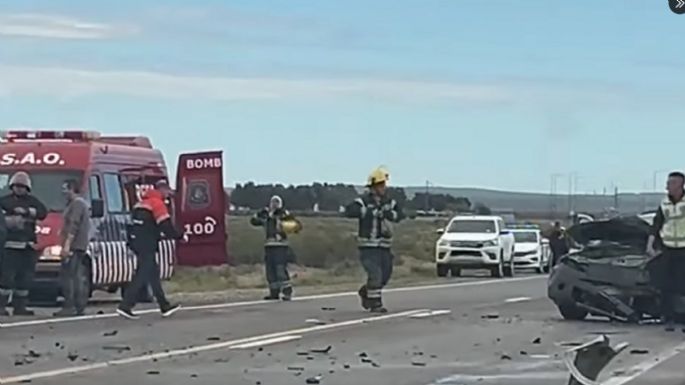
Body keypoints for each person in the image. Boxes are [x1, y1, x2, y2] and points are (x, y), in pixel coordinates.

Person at [117, 180, 186, 320]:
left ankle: (164, 306)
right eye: (167, 191)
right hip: (147, 244)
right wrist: (180, 236)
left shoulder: (140, 203)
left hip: (137, 242)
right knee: (142, 274)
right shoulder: (157, 204)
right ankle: (125, 305)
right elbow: (165, 225)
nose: (168, 195)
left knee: (153, 274)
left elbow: (132, 225)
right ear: (162, 190)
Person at [344, 167, 404, 313]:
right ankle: (375, 303)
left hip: (384, 246)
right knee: (375, 274)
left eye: (384, 185)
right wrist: (371, 212)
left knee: (385, 274)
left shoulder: (389, 202)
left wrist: (389, 214)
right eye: (381, 185)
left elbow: (401, 215)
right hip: (368, 247)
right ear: (373, 186)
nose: (384, 188)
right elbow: (350, 211)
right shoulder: (363, 201)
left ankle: (366, 292)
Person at [0, 171, 47, 316]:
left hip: (28, 246)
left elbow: (42, 213)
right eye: (17, 186)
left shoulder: (32, 201)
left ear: (27, 188)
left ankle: (20, 307)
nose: (19, 189)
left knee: (24, 279)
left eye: (22, 186)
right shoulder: (4, 201)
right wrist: (12, 213)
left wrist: (26, 211)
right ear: (12, 186)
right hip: (9, 246)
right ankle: (1, 306)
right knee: (6, 278)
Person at [647, 171, 685, 331]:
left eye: (671, 183)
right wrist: (650, 245)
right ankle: (668, 318)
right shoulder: (664, 205)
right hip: (667, 249)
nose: (667, 187)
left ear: (680, 185)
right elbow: (656, 225)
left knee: (683, 285)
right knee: (666, 286)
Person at [250, 195, 301, 301]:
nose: (274, 204)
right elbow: (253, 221)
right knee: (270, 271)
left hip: (281, 246)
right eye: (273, 202)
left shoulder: (284, 214)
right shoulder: (267, 216)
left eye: (277, 202)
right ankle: (274, 292)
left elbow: (296, 226)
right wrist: (260, 212)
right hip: (269, 246)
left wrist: (283, 220)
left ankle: (287, 292)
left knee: (280, 269)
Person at [53, 179, 92, 317]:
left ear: (72, 189)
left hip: (74, 246)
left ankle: (71, 306)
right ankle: (78, 306)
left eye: (65, 189)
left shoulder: (77, 205)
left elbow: (73, 225)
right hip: (77, 245)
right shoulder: (79, 204)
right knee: (74, 275)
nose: (63, 192)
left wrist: (67, 245)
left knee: (69, 276)